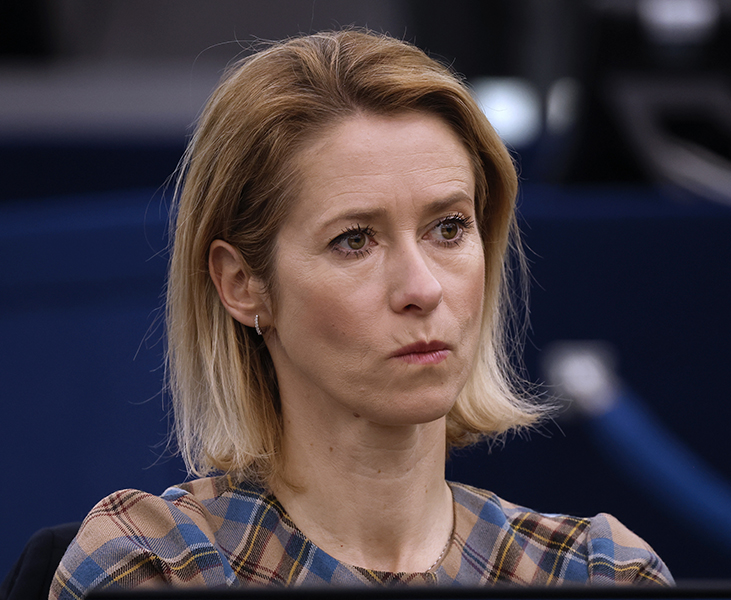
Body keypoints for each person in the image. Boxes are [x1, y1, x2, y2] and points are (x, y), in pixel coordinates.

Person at [50, 30, 672, 597]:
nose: (422, 288)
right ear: (242, 285)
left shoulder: (597, 573)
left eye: (449, 228)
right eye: (355, 240)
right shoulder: (161, 566)